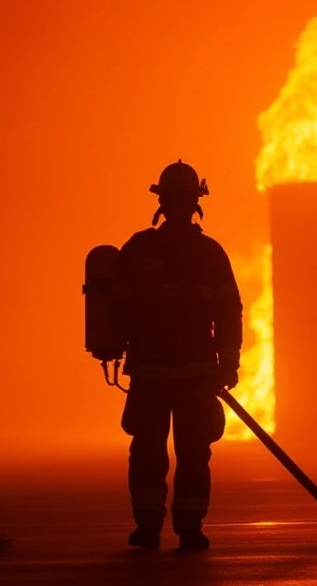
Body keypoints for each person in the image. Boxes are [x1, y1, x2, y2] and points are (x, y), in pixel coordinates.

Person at [104, 160, 242, 551]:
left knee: (179, 452)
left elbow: (229, 311)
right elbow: (229, 312)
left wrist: (228, 361)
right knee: (171, 451)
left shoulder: (141, 249)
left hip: (172, 374)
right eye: (178, 200)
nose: (180, 207)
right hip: (177, 374)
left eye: (181, 200)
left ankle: (172, 526)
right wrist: (227, 363)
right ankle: (170, 526)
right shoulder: (207, 253)